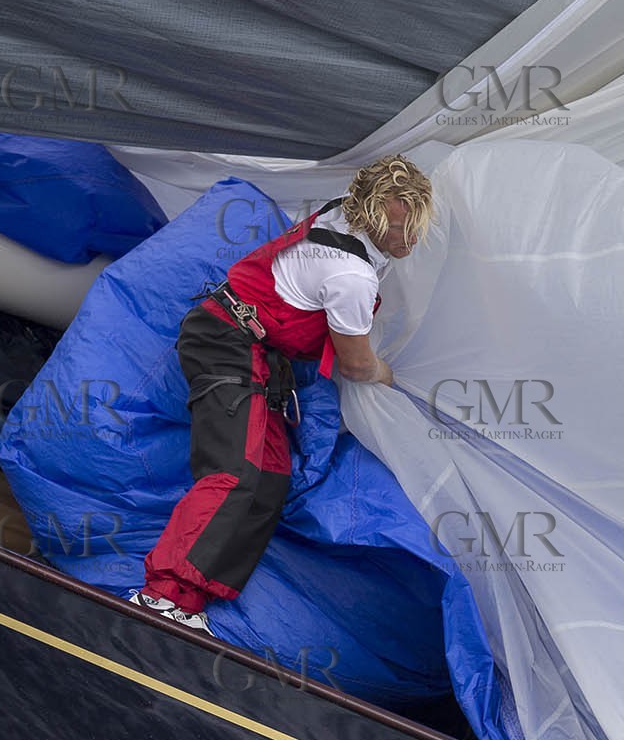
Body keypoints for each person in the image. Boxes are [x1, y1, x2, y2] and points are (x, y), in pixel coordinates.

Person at [129, 155, 433, 634]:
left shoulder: (341, 212)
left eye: (416, 227)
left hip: (254, 347)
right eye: (400, 228)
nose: (410, 240)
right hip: (226, 342)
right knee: (235, 472)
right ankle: (160, 594)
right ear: (371, 215)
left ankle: (193, 599)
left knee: (270, 477)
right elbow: (356, 365)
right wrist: (392, 377)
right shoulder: (352, 275)